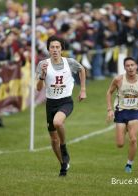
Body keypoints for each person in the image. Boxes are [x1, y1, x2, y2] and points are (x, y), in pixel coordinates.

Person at [36, 36, 87, 176]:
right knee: (53, 140)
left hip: (65, 101)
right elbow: (38, 88)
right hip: (50, 103)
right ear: (48, 49)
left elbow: (82, 70)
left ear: (62, 49)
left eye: (58, 47)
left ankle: (63, 146)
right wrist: (42, 76)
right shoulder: (42, 64)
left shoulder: (69, 62)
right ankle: (63, 164)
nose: (55, 50)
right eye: (52, 47)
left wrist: (83, 89)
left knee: (58, 122)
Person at [106, 57, 138, 173]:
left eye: (132, 65)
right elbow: (109, 92)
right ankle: (125, 128)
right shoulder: (118, 79)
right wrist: (109, 109)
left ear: (136, 66)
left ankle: (129, 164)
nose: (130, 67)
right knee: (120, 144)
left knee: (133, 139)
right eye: (128, 65)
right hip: (121, 112)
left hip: (134, 112)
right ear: (124, 67)